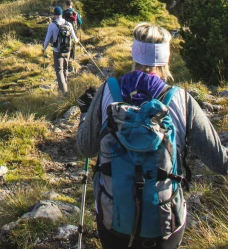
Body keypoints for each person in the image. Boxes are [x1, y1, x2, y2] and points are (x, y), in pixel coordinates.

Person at [77, 22, 228, 249]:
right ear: (166, 60)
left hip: (114, 219)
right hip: (164, 223)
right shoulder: (182, 100)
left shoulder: (107, 91)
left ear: (134, 54)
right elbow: (219, 162)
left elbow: (86, 148)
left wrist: (85, 115)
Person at [42, 6, 78, 93]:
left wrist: (44, 48)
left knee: (59, 70)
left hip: (57, 51)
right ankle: (64, 85)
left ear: (55, 14)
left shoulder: (52, 24)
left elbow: (47, 39)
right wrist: (77, 40)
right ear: (61, 14)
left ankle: (63, 91)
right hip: (67, 50)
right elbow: (75, 39)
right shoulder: (68, 23)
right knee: (65, 69)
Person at [62, 0, 82, 70]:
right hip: (73, 31)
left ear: (66, 5)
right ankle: (72, 58)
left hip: (65, 32)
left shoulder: (63, 12)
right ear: (71, 5)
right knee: (73, 44)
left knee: (65, 44)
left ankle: (64, 58)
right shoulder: (75, 12)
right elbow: (80, 22)